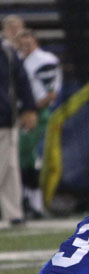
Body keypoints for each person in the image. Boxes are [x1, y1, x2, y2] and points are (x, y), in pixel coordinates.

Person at [17, 29, 63, 219]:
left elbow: (50, 93)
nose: (25, 46)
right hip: (21, 114)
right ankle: (28, 202)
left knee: (34, 158)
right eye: (22, 42)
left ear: (35, 40)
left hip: (37, 114)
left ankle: (37, 204)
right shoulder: (19, 58)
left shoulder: (44, 59)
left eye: (28, 41)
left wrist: (31, 110)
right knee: (24, 159)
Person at [0, 26, 37, 226]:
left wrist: (29, 108)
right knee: (6, 166)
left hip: (5, 117)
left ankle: (14, 213)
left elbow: (22, 80)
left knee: (10, 167)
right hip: (5, 115)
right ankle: (13, 213)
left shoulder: (6, 50)